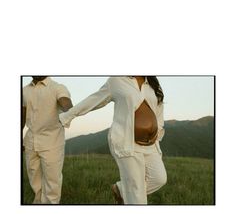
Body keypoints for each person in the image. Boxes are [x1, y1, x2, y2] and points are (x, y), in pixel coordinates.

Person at [59, 76, 167, 205]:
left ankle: (121, 189)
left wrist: (157, 132)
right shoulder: (116, 80)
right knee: (135, 191)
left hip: (150, 144)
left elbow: (158, 112)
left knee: (159, 178)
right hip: (125, 141)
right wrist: (67, 116)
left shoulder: (153, 85)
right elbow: (93, 100)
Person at [22, 76, 73, 204]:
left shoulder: (57, 87)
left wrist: (67, 108)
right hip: (30, 141)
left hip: (52, 142)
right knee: (34, 179)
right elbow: (22, 116)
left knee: (52, 182)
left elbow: (66, 103)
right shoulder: (24, 91)